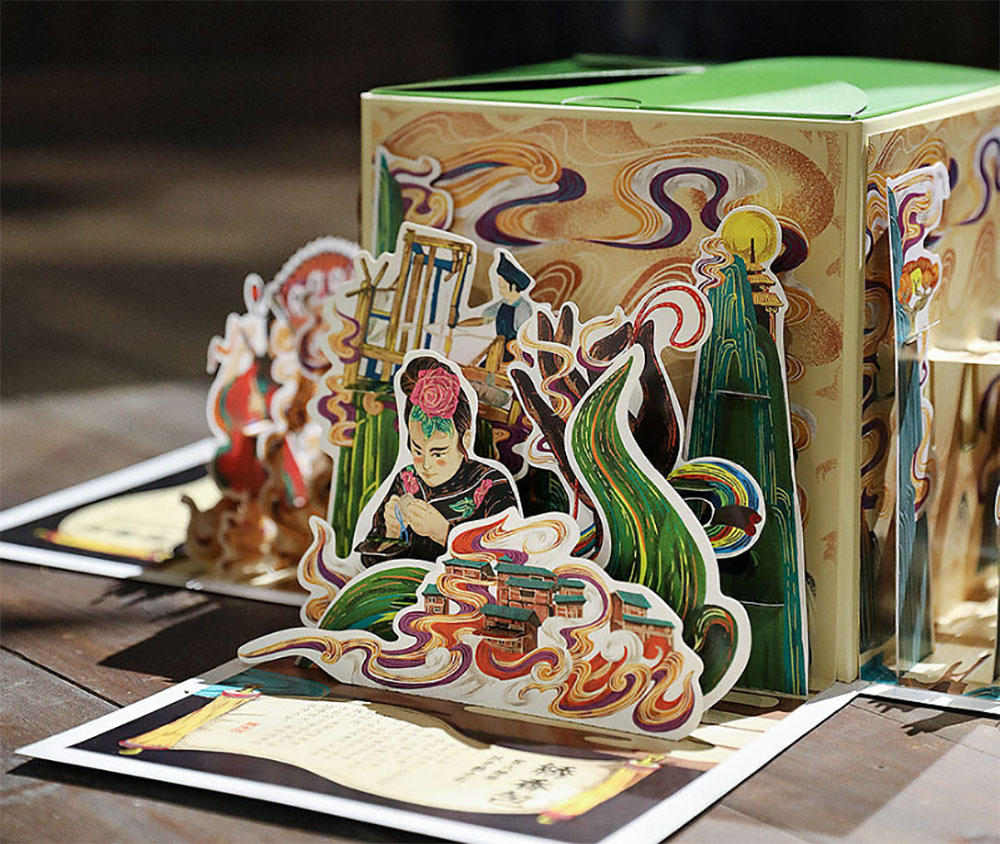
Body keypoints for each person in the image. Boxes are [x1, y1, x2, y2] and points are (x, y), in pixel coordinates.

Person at [356, 355, 517, 566]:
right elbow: (368, 563)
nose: (426, 465)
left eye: (438, 453)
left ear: (465, 439)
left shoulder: (491, 485)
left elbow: (509, 559)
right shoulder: (406, 480)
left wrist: (443, 532)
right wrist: (391, 533)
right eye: (417, 450)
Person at [460, 253, 534, 363]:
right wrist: (459, 325)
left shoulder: (523, 308)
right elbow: (484, 320)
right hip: (499, 349)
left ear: (513, 287)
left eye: (503, 287)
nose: (500, 291)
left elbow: (524, 338)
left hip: (514, 354)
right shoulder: (503, 304)